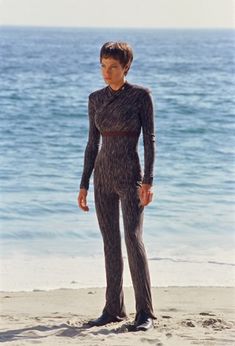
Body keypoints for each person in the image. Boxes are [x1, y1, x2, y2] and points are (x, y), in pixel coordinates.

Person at [77, 41, 157, 331]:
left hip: (130, 176)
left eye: (113, 67)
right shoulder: (95, 99)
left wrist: (148, 180)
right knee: (110, 243)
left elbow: (149, 140)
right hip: (103, 178)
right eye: (103, 66)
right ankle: (113, 309)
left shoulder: (140, 97)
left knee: (133, 240)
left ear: (126, 67)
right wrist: (84, 183)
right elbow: (91, 144)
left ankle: (145, 312)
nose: (106, 72)